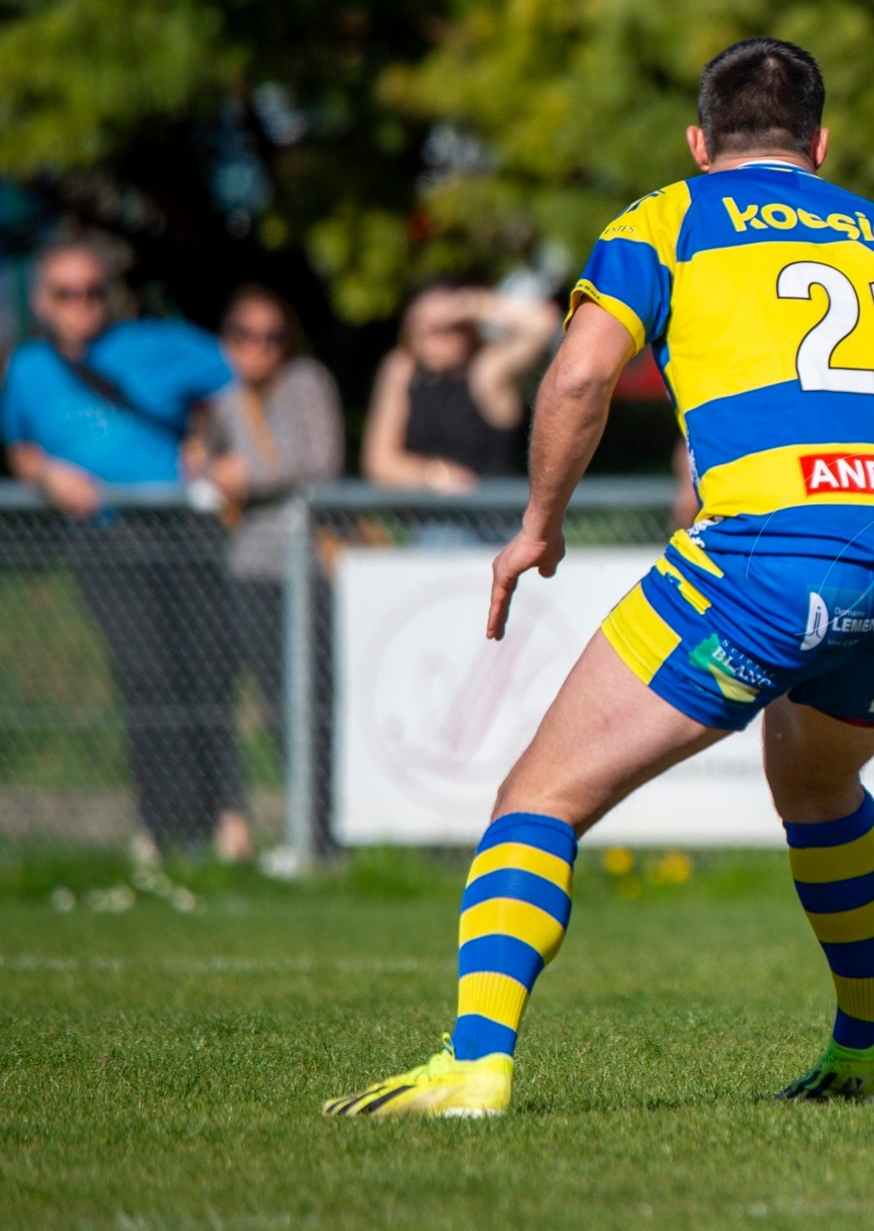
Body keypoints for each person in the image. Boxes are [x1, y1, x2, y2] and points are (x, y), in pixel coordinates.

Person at [324, 38, 874, 1118]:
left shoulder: (668, 217)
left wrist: (537, 526)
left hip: (768, 558)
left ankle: (474, 1060)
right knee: (818, 787)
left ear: (698, 143)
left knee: (539, 797)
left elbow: (577, 374)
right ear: (820, 142)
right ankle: (872, 1046)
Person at [0, 238, 248, 862]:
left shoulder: (154, 343)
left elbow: (239, 373)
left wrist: (206, 441)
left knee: (208, 677)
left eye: (91, 291)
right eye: (65, 293)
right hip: (106, 540)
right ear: (41, 300)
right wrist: (47, 477)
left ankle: (229, 824)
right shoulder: (28, 368)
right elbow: (20, 447)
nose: (80, 305)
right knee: (145, 679)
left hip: (181, 534)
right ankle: (160, 831)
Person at [200, 285, 345, 844]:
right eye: (245, 335)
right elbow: (205, 469)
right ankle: (301, 829)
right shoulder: (223, 400)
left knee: (315, 700)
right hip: (247, 567)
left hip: (304, 569)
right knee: (273, 705)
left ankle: (323, 834)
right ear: (226, 340)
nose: (258, 347)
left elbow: (322, 465)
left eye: (272, 336)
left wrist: (247, 478)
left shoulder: (306, 383)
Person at [362, 282, 557, 491]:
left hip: (491, 514)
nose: (431, 337)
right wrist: (434, 475)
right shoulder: (404, 371)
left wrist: (469, 304)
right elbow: (379, 463)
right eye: (420, 326)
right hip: (427, 516)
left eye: (445, 328)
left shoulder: (487, 372)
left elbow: (543, 324)